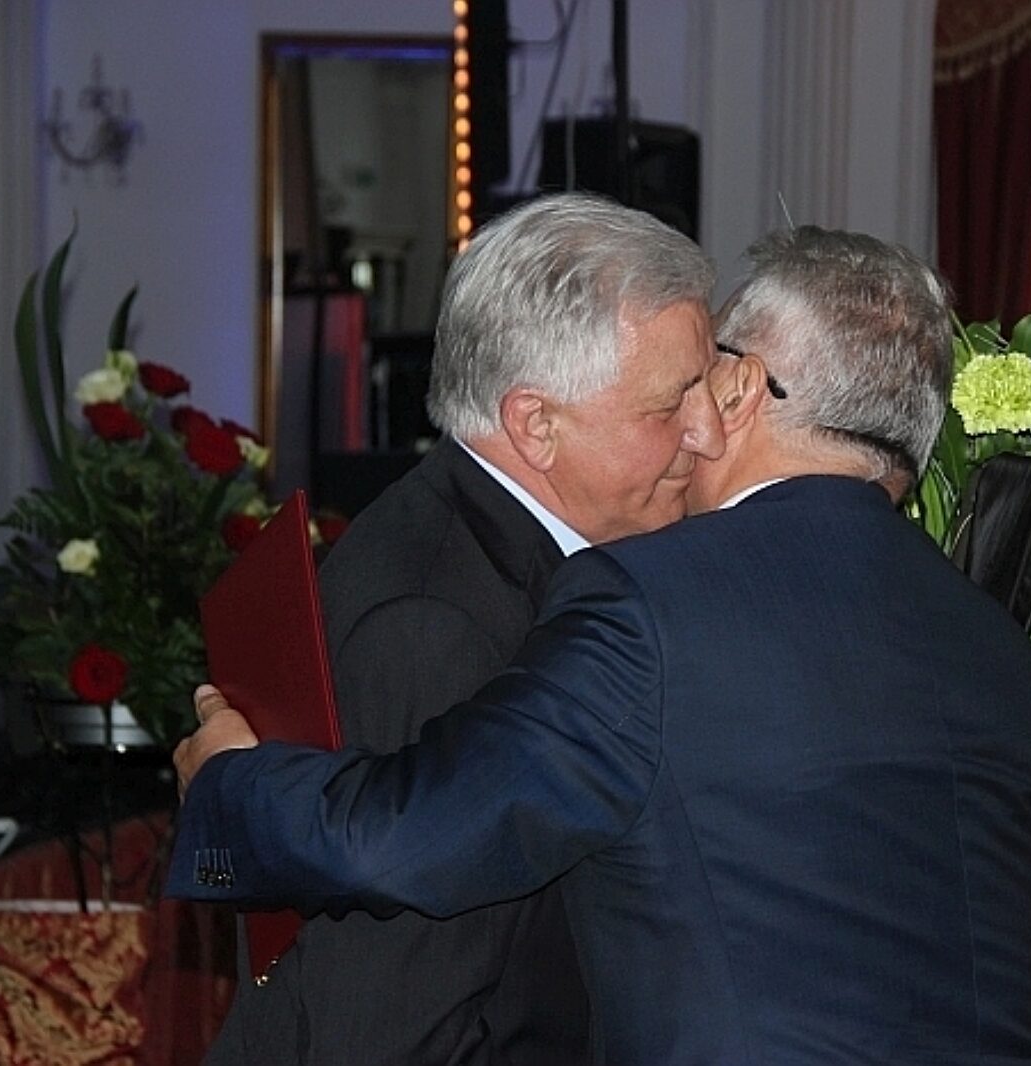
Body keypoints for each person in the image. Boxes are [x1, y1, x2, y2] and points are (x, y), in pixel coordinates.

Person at [171, 226, 1031, 1065]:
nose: (696, 424)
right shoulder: (998, 647)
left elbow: (402, 838)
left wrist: (227, 789)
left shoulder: (658, 603)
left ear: (742, 386)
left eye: (702, 378)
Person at [205, 192, 724, 1065]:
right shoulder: (432, 625)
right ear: (536, 424)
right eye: (672, 402)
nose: (706, 433)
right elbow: (392, 1030)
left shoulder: (500, 545)